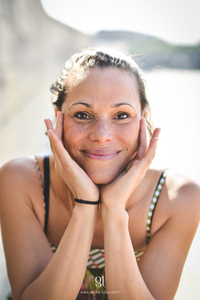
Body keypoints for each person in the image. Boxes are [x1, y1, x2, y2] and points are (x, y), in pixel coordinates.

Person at [0, 47, 200, 300]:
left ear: (142, 121)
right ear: (57, 118)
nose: (102, 134)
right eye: (83, 115)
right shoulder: (22, 181)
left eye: (122, 115)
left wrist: (114, 210)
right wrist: (85, 206)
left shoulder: (177, 199)